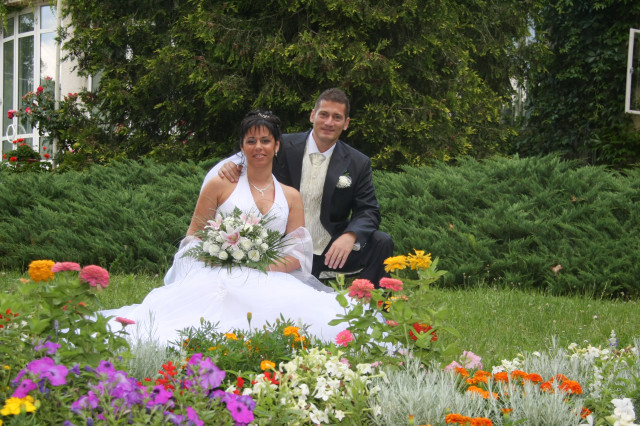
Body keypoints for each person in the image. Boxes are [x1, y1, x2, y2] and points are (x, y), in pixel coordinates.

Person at [101, 111, 345, 345]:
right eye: (251, 141)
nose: (258, 147)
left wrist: (260, 267)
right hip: (219, 273)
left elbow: (296, 252)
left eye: (265, 141)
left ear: (277, 146)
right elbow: (193, 237)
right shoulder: (219, 185)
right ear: (242, 147)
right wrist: (219, 257)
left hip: (269, 276)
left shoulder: (291, 196)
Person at [202, 88, 393, 286]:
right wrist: (233, 165)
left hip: (330, 250)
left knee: (382, 242)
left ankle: (371, 302)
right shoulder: (282, 145)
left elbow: (369, 210)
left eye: (337, 117)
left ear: (346, 123)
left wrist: (350, 235)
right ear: (312, 116)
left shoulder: (358, 162)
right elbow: (253, 154)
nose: (329, 122)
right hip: (283, 247)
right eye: (324, 114)